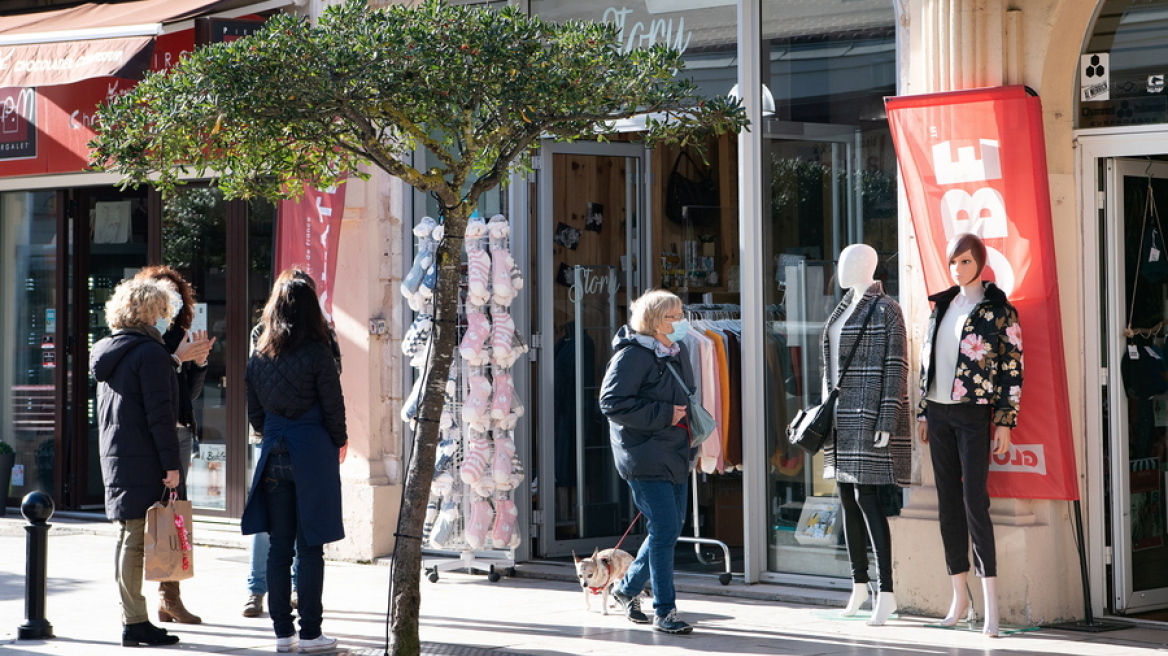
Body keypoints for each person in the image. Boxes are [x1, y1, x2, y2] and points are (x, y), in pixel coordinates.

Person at [918, 233, 1023, 637]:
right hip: (939, 414)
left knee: (974, 501)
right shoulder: (940, 306)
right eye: (953, 263)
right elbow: (929, 363)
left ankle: (991, 604)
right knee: (947, 503)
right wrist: (925, 410)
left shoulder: (998, 312)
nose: (958, 269)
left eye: (965, 262)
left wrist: (1006, 423)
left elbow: (1012, 370)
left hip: (975, 415)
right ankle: (959, 596)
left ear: (980, 263)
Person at [241, 270, 348, 654]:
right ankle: (311, 633)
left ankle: (282, 634)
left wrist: (272, 432)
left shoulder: (259, 354)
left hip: (273, 452)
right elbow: (333, 405)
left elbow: (254, 412)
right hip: (311, 451)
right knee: (310, 546)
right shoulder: (319, 351)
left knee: (278, 547)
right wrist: (340, 439)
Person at [90, 278, 184, 647]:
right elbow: (160, 415)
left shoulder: (108, 350)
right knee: (134, 539)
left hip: (119, 454)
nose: (166, 320)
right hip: (143, 456)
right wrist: (171, 465)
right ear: (150, 313)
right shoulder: (150, 354)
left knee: (128, 535)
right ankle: (135, 622)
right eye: (163, 313)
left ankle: (134, 618)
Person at [819, 244, 910, 626]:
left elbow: (896, 367)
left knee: (867, 497)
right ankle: (858, 584)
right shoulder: (843, 307)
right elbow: (831, 364)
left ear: (868, 266)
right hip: (839, 417)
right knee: (845, 497)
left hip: (868, 414)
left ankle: (886, 591)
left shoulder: (887, 309)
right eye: (842, 261)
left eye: (850, 262)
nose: (842, 268)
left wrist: (887, 421)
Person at [598, 289, 697, 635]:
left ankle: (625, 590)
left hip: (675, 451)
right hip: (644, 454)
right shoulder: (632, 356)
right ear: (656, 322)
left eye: (681, 313)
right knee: (666, 528)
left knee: (667, 528)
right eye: (675, 316)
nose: (682, 321)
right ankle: (664, 611)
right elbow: (611, 403)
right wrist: (664, 414)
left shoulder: (676, 350)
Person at [134, 266, 215, 625]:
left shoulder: (179, 335)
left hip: (179, 433)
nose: (172, 300)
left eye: (176, 294)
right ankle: (140, 606)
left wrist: (197, 364)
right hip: (149, 436)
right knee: (143, 518)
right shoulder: (144, 338)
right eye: (164, 293)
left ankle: (170, 597)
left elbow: (187, 396)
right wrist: (177, 359)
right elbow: (150, 392)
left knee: (173, 515)